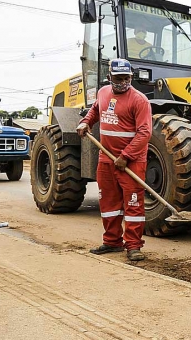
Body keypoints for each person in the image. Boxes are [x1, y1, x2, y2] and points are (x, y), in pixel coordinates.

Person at [76, 58, 152, 261]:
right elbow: (95, 110)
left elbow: (144, 133)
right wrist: (85, 122)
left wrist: (125, 156)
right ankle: (112, 242)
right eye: (118, 78)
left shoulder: (139, 100)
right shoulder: (102, 93)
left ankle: (133, 246)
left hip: (132, 161)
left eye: (126, 78)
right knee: (109, 203)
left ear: (131, 77)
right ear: (109, 77)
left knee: (133, 205)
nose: (123, 82)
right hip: (107, 159)